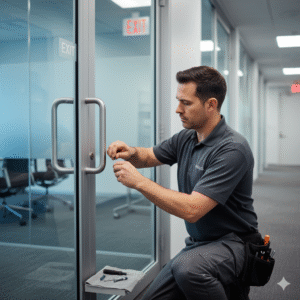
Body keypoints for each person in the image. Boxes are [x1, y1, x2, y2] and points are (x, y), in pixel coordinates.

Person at [107, 66, 261, 300]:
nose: (178, 109)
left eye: (186, 103)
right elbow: (149, 156)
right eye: (178, 101)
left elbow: (193, 209)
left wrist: (139, 182)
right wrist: (131, 152)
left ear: (211, 105)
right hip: (200, 244)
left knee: (189, 269)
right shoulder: (188, 137)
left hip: (234, 243)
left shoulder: (233, 149)